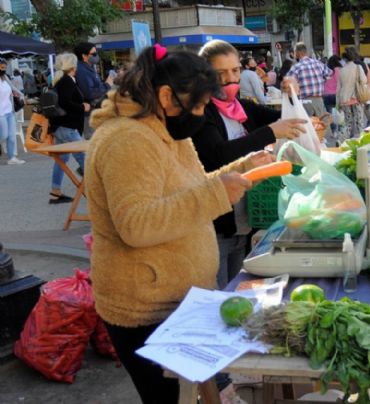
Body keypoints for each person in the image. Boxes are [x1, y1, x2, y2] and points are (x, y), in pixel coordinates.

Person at [86, 44, 271, 403]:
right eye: (198, 105)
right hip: (145, 308)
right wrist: (217, 193)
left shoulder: (168, 130)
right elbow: (136, 224)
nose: (201, 115)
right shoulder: (127, 139)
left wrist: (243, 168)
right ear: (167, 95)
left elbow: (196, 188)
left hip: (181, 299)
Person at [195, 39, 304, 288]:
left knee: (238, 288)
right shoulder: (201, 113)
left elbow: (284, 119)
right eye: (220, 73)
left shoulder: (242, 108)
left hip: (245, 220)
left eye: (234, 71)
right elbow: (217, 156)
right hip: (216, 224)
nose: (229, 79)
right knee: (219, 294)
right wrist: (270, 132)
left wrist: (291, 94)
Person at [48, 53, 88, 204]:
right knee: (84, 158)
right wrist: (82, 106)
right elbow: (65, 102)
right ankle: (99, 192)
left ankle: (55, 191)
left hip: (60, 126)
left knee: (62, 160)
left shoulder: (59, 79)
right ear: (72, 66)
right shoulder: (66, 81)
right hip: (68, 127)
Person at [74, 42, 113, 138]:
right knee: (93, 141)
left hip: (95, 111)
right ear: (84, 56)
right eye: (94, 54)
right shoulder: (82, 70)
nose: (96, 56)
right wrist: (107, 85)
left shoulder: (89, 68)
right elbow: (89, 93)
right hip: (90, 113)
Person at [286, 42, 332, 117]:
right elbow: (329, 73)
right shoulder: (318, 63)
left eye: (294, 52)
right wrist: (322, 80)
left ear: (298, 53)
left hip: (305, 101)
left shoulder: (296, 67)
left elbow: (288, 82)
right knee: (322, 125)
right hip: (319, 100)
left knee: (308, 126)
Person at [336, 46, 368, 142]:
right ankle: (360, 140)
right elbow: (364, 80)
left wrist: (338, 103)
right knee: (359, 121)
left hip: (344, 99)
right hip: (356, 99)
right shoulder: (358, 68)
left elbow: (338, 88)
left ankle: (341, 139)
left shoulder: (342, 70)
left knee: (348, 122)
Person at [0, 58, 24, 165]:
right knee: (4, 135)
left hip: (9, 111)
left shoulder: (5, 78)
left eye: (4, 66)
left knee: (11, 135)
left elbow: (13, 88)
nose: (4, 69)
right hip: (0, 113)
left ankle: (12, 157)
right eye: (2, 66)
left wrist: (21, 95)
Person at [323, 55, 342, 146]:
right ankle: (340, 131)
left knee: (330, 114)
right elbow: (340, 82)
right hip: (336, 95)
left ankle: (334, 131)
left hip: (326, 94)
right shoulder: (338, 70)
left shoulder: (326, 71)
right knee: (340, 113)